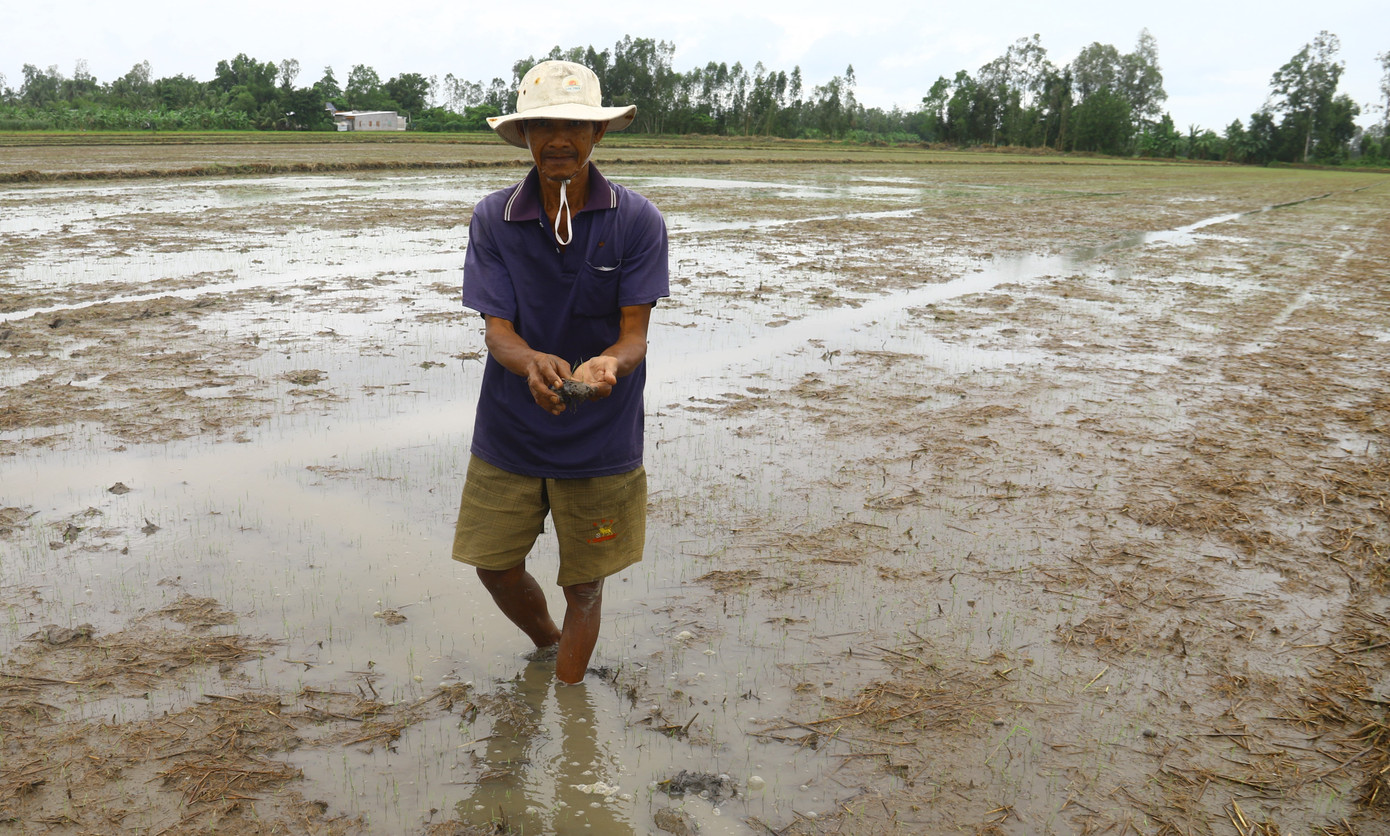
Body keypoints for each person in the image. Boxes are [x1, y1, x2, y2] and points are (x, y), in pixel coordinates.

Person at [451, 60, 669, 685]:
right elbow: (498, 331)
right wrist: (531, 363)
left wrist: (607, 364)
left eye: (575, 125)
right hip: (511, 428)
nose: (559, 139)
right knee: (493, 564)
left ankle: (569, 698)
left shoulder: (636, 220)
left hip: (601, 430)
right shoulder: (494, 217)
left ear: (597, 134)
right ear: (524, 135)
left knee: (585, 585)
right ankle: (549, 647)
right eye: (543, 125)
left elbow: (634, 336)